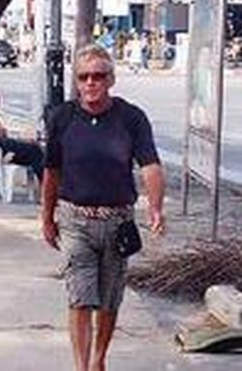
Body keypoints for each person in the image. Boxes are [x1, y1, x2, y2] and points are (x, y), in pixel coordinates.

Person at [40, 44, 166, 371]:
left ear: (111, 79)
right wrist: (46, 218)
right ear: (77, 82)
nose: (91, 83)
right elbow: (51, 172)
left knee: (109, 301)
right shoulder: (62, 118)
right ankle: (82, 367)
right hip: (75, 221)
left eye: (98, 76)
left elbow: (150, 165)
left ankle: (99, 359)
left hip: (117, 222)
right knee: (80, 297)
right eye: (84, 77)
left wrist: (155, 208)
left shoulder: (131, 118)